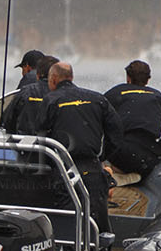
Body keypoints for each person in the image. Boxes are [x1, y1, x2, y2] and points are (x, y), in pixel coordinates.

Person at [37, 61, 126, 233]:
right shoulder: (97, 99)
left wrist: (47, 163)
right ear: (71, 77)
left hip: (62, 168)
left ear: (53, 79)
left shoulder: (50, 100)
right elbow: (116, 132)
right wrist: (102, 157)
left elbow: (40, 135)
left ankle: (68, 244)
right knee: (97, 215)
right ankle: (101, 245)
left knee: (67, 215)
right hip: (92, 167)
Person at [104, 60, 161, 176]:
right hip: (149, 155)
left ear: (128, 78)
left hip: (122, 154)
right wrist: (160, 149)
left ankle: (113, 174)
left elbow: (99, 123)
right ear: (148, 79)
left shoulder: (114, 94)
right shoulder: (158, 96)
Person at [0, 54, 57, 134]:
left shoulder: (26, 88)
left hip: (25, 139)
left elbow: (8, 120)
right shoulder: (63, 93)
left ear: (27, 66)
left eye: (22, 68)